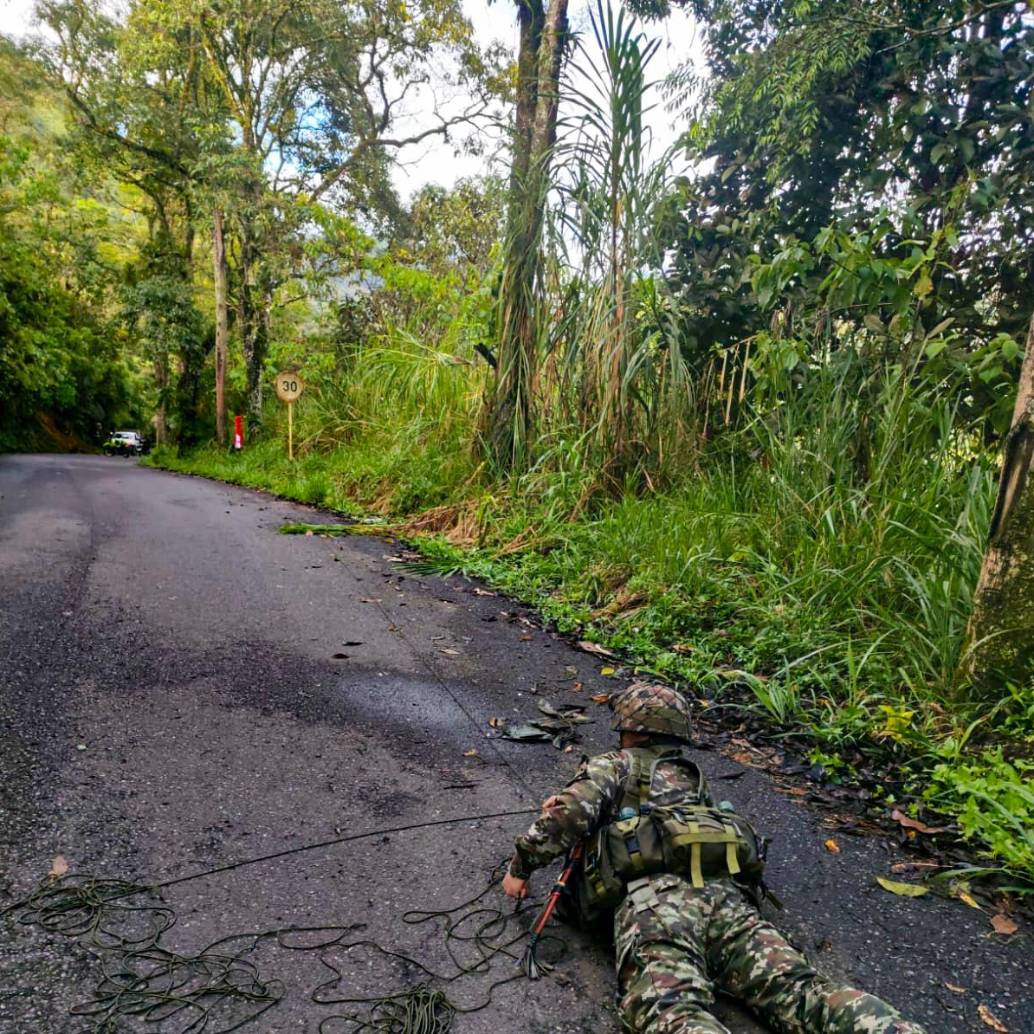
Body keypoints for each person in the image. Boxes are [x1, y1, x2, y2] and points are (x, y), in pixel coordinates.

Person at [501, 683, 927, 1034]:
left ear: (629, 727)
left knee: (669, 1009)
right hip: (727, 901)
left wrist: (520, 868)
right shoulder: (693, 778)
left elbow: (567, 819)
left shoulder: (613, 765)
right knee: (801, 991)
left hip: (656, 907)